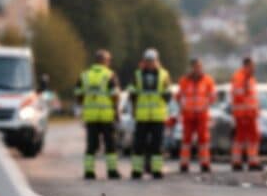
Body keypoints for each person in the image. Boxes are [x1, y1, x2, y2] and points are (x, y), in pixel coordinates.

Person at [75, 49, 120, 180]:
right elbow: (115, 95)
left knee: (91, 145)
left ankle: (89, 172)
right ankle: (112, 171)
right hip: (106, 116)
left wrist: (85, 106)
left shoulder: (85, 75)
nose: (109, 63)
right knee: (110, 144)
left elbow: (78, 94)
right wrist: (116, 111)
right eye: (109, 60)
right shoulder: (109, 75)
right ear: (105, 61)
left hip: (91, 116)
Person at [129, 48, 171, 179]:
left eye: (152, 61)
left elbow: (168, 91)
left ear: (157, 61)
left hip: (158, 116)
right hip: (142, 116)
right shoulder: (137, 75)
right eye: (148, 61)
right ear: (144, 61)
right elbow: (132, 91)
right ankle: (137, 170)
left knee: (156, 145)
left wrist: (166, 95)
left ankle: (156, 170)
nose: (150, 63)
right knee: (139, 144)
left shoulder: (164, 74)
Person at [177, 58, 215, 173]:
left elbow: (212, 96)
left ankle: (205, 164)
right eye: (195, 67)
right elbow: (179, 96)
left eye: (199, 67)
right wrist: (183, 107)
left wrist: (205, 104)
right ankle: (184, 164)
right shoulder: (184, 81)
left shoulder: (207, 80)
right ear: (191, 68)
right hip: (188, 115)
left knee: (203, 140)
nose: (197, 69)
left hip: (202, 115)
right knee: (186, 141)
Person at [230, 57, 261, 171]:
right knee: (242, 138)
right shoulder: (240, 77)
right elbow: (239, 96)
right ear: (246, 66)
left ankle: (250, 161)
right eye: (252, 66)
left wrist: (256, 110)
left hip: (249, 114)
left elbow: (253, 98)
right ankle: (241, 162)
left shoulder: (250, 78)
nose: (254, 68)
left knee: (251, 138)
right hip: (243, 114)